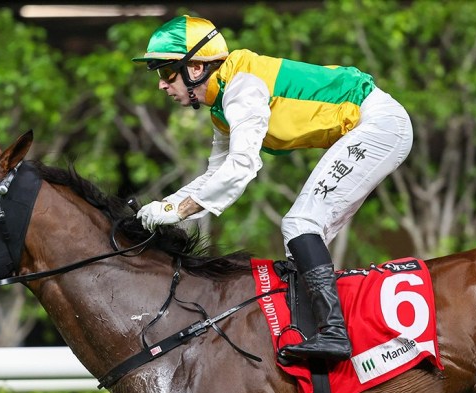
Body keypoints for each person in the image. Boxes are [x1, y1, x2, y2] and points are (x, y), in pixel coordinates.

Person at [134, 15, 413, 363]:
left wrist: (178, 211)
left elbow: (242, 166)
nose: (161, 85)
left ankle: (335, 335)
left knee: (300, 225)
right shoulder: (222, 105)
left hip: (381, 124)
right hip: (372, 125)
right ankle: (321, 329)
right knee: (302, 233)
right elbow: (215, 173)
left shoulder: (242, 87)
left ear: (195, 69)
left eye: (165, 72)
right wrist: (164, 205)